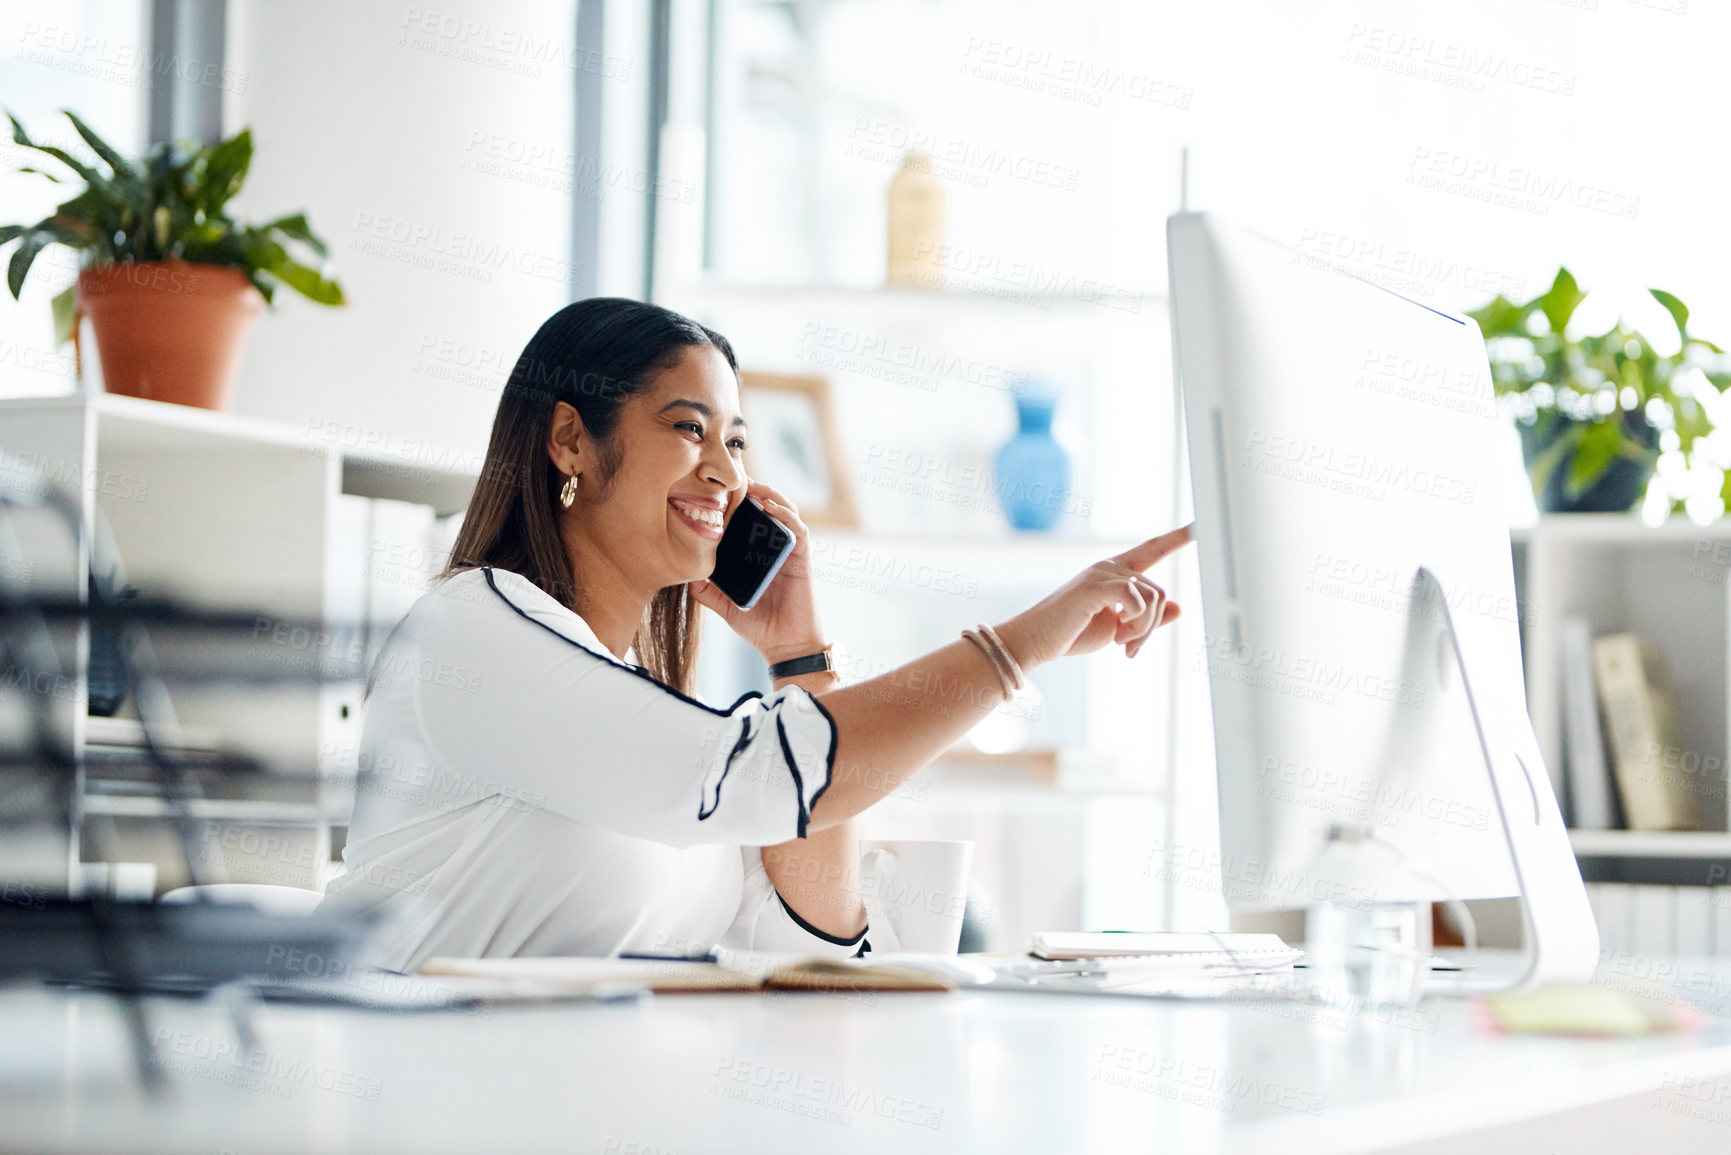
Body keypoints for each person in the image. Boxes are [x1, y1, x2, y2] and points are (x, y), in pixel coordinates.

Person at [317, 298, 1191, 970]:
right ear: (570, 441)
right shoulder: (474, 630)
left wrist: (798, 654)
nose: (726, 470)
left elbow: (812, 931)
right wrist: (1023, 643)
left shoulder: (649, 715)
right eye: (688, 427)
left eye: (736, 441)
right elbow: (763, 777)